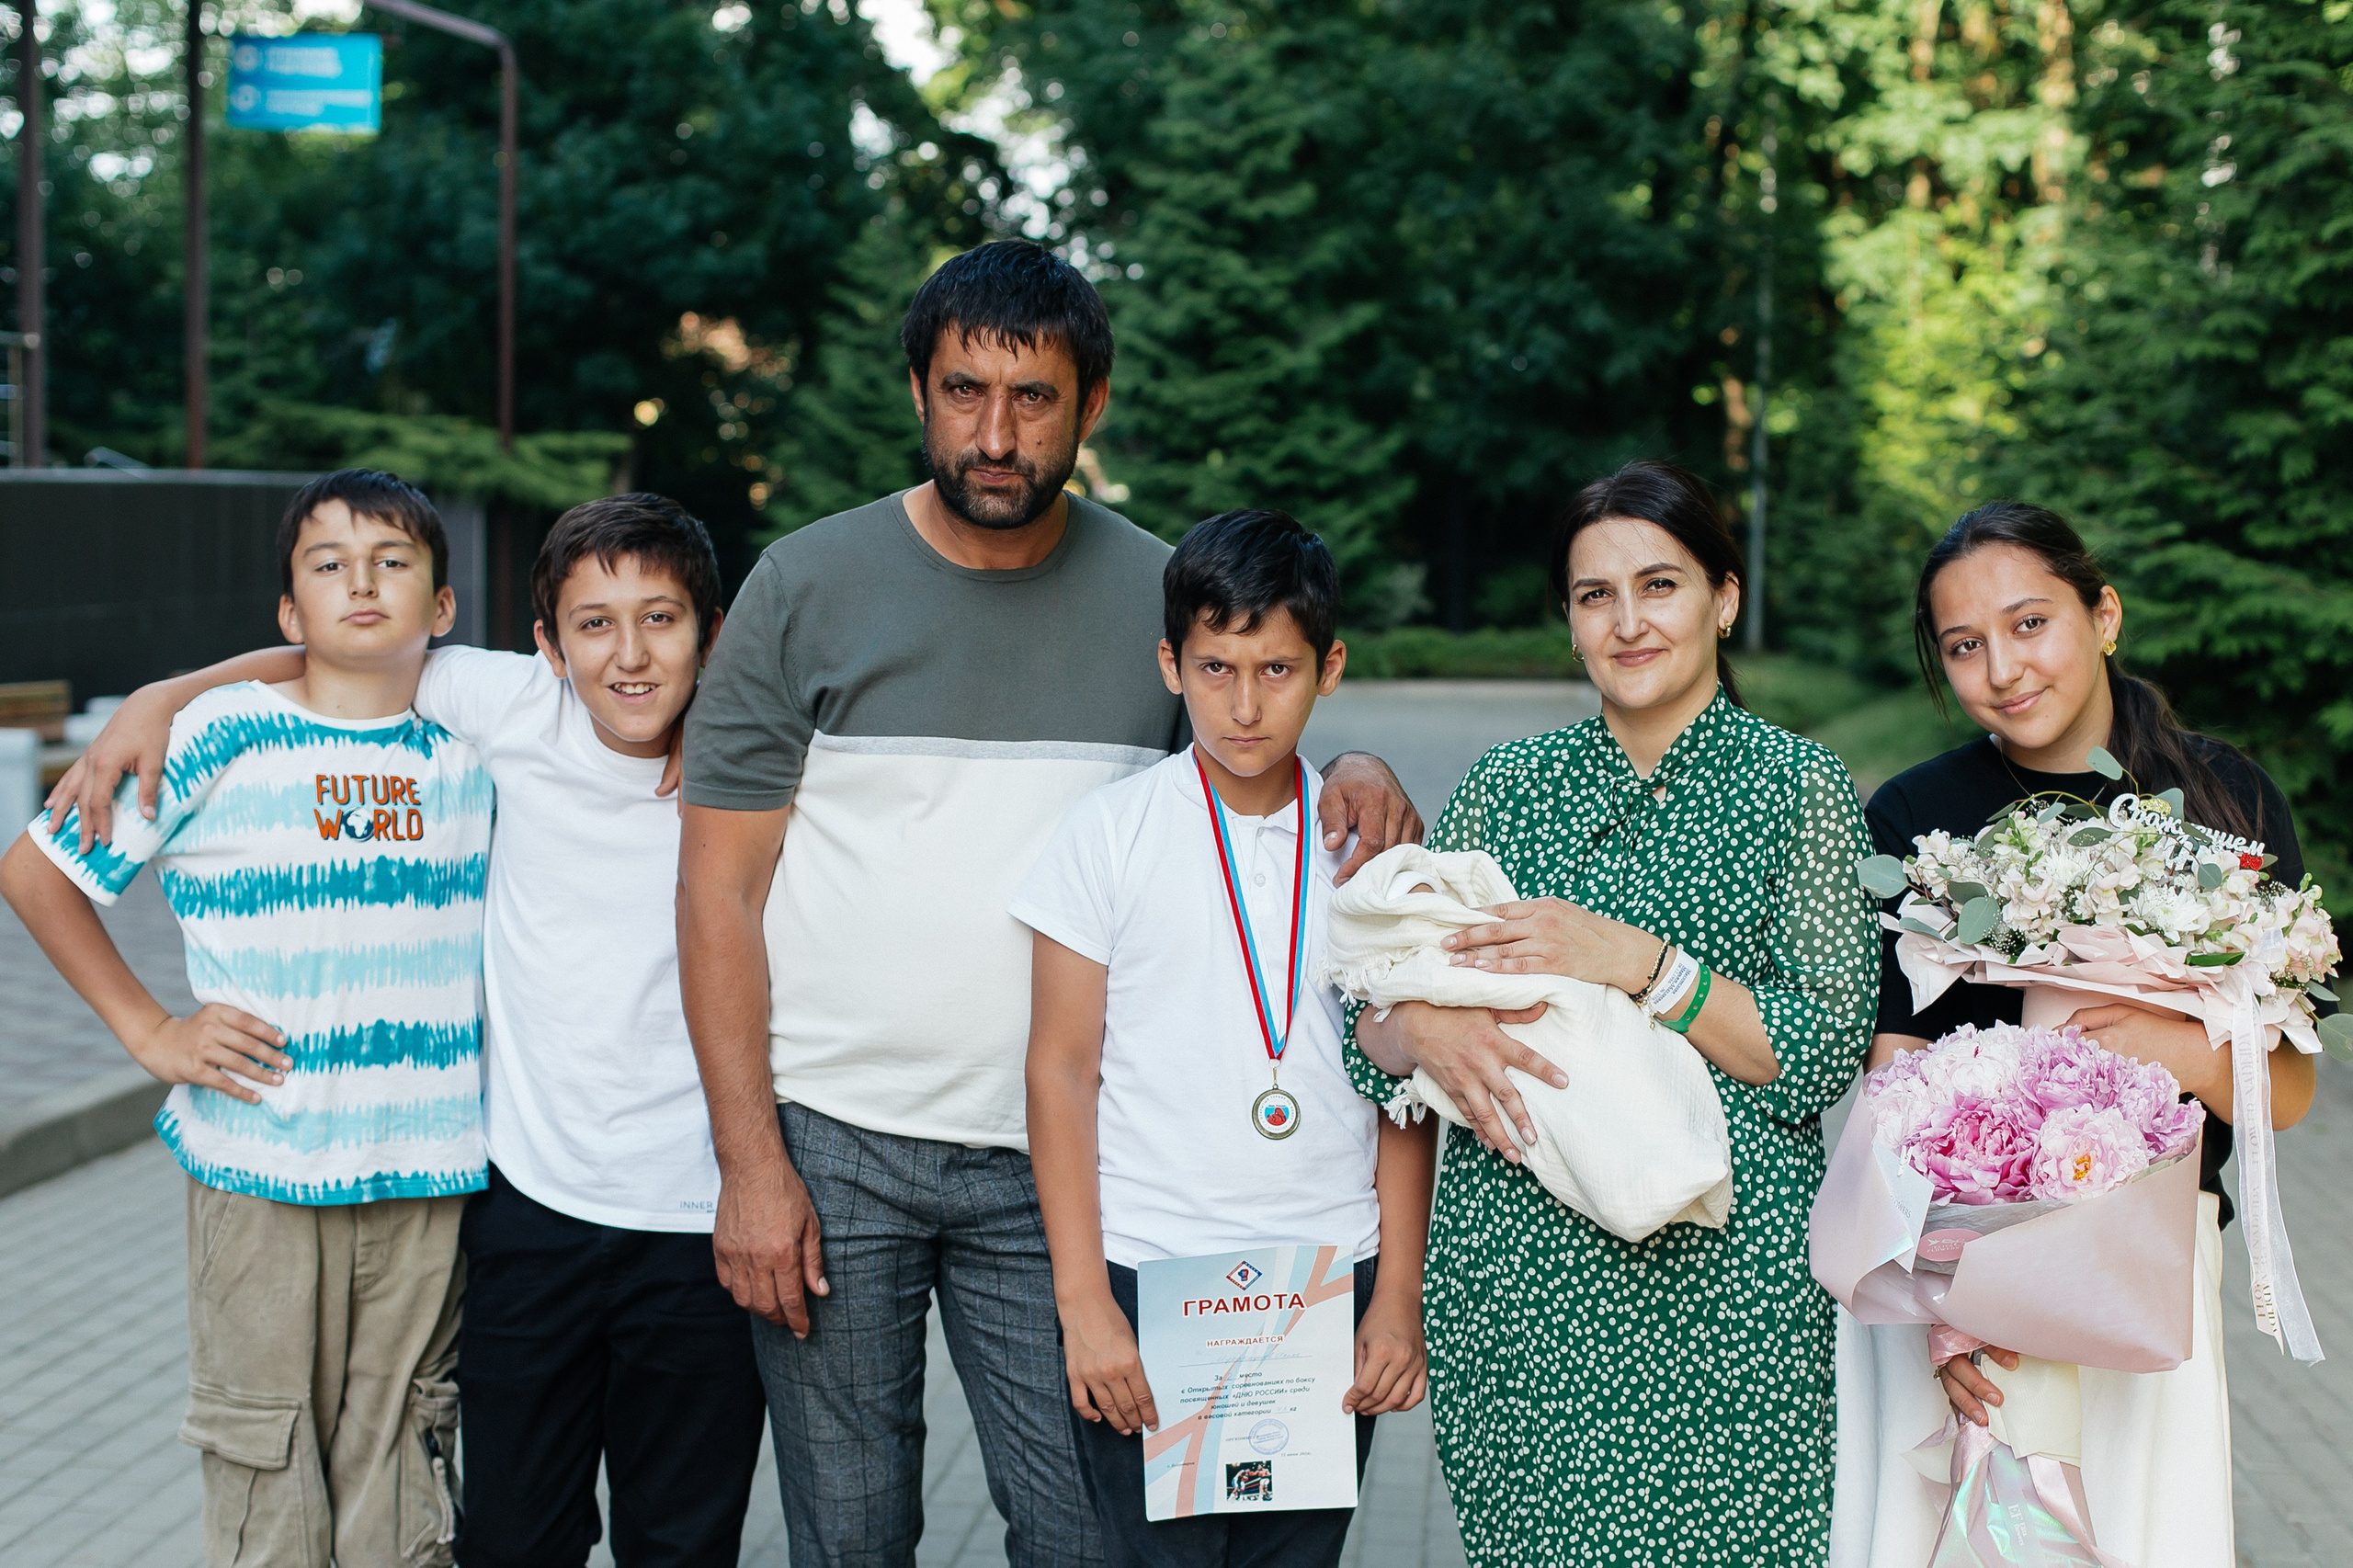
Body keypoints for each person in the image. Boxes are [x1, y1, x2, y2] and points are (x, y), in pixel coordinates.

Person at [676, 239, 1420, 1567]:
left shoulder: (1159, 592)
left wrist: (1360, 762)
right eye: (965, 391)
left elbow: (1251, 755)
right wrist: (749, 1164)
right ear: (919, 391)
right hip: (834, 1143)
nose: (996, 434)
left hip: (1063, 1169)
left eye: (1034, 398)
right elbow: (716, 891)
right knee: (849, 1534)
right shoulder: (802, 587)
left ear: (1093, 403)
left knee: (1085, 1538)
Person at [54, 496, 767, 1567]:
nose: (627, 653)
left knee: (650, 1531)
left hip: (655, 1214)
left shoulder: (747, 755)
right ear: (548, 645)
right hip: (508, 1206)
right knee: (478, 1526)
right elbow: (352, 646)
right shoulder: (508, 706)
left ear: (710, 634)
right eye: (593, 624)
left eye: (660, 620)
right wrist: (166, 693)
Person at [1346, 460, 1880, 1566]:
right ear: (1569, 620)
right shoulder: (1505, 787)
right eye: (1595, 595)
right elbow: (1371, 1025)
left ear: (1723, 598)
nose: (1628, 622)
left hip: (1730, 1295)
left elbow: (1820, 1052)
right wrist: (1414, 1031)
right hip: (1520, 1294)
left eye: (1659, 585)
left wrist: (1642, 963)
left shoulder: (1798, 786)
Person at [0, 469, 493, 1568]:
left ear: (442, 605)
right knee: (267, 1475)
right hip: (260, 1170)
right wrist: (151, 1032)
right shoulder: (218, 734)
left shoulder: (476, 744)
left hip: (428, 1178)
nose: (361, 583)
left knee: (403, 1479)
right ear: (288, 609)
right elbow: (36, 873)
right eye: (329, 564)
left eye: (392, 562)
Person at [1828, 500, 2319, 1568]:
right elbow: (1890, 1079)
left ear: (2103, 615)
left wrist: (2170, 1046)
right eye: (1964, 644)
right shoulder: (1916, 814)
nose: (2002, 668)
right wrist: (1932, 1311)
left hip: (2143, 1277)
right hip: (1951, 1280)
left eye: (2029, 623)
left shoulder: (2223, 802)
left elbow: (2286, 1095)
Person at [1016, 510, 1432, 1568]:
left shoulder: (1368, 852)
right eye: (1215, 668)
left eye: (1277, 669)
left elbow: (1405, 1090)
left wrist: (1397, 1297)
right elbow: (1058, 1072)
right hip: (1149, 1278)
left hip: (1326, 1284)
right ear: (1170, 664)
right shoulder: (1106, 834)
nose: (1245, 704)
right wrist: (1083, 1304)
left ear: (1328, 667)